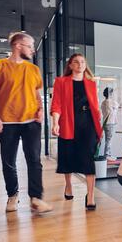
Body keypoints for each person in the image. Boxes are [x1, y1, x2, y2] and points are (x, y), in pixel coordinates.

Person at [0, 32, 53, 213]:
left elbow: (37, 94)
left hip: (31, 122)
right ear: (18, 46)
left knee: (34, 161)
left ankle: (36, 198)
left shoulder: (34, 70)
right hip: (7, 122)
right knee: (9, 161)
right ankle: (12, 195)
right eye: (30, 46)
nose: (32, 50)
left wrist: (40, 110)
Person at [50, 54, 102, 210]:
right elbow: (56, 104)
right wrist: (55, 123)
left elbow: (94, 105)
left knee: (88, 158)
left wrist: (98, 118)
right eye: (76, 62)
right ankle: (68, 185)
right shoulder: (61, 82)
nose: (80, 64)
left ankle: (90, 196)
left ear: (85, 65)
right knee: (68, 156)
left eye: (82, 62)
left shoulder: (91, 84)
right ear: (70, 65)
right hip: (68, 123)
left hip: (88, 124)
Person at [101, 87, 121, 161]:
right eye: (112, 93)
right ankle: (107, 155)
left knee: (108, 139)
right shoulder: (110, 102)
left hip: (106, 123)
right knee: (109, 139)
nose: (112, 94)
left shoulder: (104, 102)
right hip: (110, 123)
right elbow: (119, 106)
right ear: (110, 94)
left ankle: (107, 154)